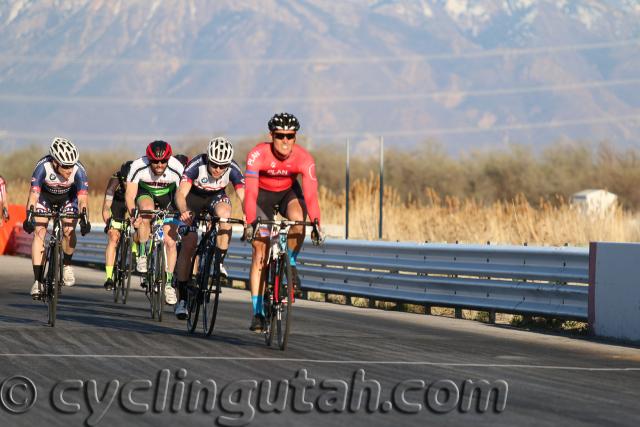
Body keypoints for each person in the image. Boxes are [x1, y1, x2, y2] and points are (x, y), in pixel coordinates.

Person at [243, 113, 325, 332]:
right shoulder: (257, 154)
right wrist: (251, 222)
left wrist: (317, 223)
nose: (285, 141)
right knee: (260, 252)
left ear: (295, 137)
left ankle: (291, 263)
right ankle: (258, 312)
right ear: (272, 135)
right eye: (280, 136)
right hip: (262, 197)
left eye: (290, 136)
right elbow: (250, 194)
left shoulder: (304, 158)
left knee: (299, 219)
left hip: (288, 193)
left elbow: (311, 196)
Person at [174, 137, 245, 319]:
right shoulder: (197, 165)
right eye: (215, 165)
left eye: (223, 166)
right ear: (208, 158)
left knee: (225, 216)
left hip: (216, 199)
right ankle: (182, 298)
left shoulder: (233, 168)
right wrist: (183, 211)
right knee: (189, 242)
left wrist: (248, 214)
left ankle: (218, 262)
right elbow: (181, 193)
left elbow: (244, 196)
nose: (218, 170)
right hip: (192, 200)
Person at [23, 138, 91, 298]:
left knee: (68, 230)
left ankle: (67, 265)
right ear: (55, 162)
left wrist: (84, 218)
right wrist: (29, 216)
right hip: (45, 198)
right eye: (66, 166)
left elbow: (82, 199)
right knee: (39, 232)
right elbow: (33, 195)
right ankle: (38, 281)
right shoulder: (42, 168)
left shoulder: (78, 170)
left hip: (69, 197)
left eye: (72, 165)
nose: (69, 169)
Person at [125, 141, 184, 305]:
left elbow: (182, 194)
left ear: (168, 159)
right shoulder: (138, 165)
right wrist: (133, 214)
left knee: (171, 242)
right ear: (148, 159)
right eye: (155, 161)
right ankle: (142, 253)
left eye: (163, 161)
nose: (159, 165)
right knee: (146, 211)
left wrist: (183, 211)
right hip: (146, 193)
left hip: (169, 197)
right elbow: (130, 195)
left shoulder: (177, 167)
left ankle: (169, 284)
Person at [101, 160, 133, 290]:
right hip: (117, 204)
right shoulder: (114, 181)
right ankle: (109, 277)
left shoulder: (140, 180)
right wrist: (109, 223)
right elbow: (106, 208)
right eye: (125, 181)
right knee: (114, 237)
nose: (127, 184)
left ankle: (135, 251)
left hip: (133, 202)